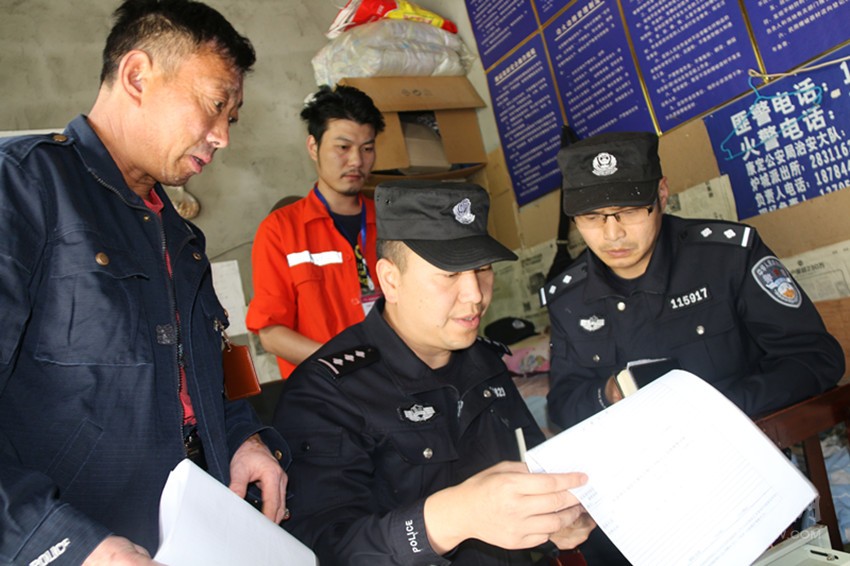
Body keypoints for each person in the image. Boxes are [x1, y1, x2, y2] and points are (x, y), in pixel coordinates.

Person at [0, 1, 290, 563]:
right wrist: (72, 545)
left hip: (193, 532)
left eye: (232, 118)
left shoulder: (181, 238)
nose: (223, 136)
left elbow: (208, 372)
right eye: (215, 105)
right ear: (137, 76)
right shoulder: (23, 188)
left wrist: (243, 437)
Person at [542, 130, 845, 565]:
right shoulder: (569, 298)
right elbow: (563, 403)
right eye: (591, 217)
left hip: (742, 472)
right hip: (641, 495)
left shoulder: (727, 256)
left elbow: (816, 358)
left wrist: (718, 411)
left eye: (630, 211)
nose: (612, 233)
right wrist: (607, 393)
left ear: (662, 194)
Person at [272, 180, 595, 565]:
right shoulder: (326, 394)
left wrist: (557, 517)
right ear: (391, 280)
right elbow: (322, 549)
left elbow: (531, 468)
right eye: (449, 273)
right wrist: (451, 519)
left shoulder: (484, 361)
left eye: (483, 269)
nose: (475, 295)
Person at [246, 84, 385, 378]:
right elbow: (271, 333)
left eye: (367, 148)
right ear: (313, 147)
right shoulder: (280, 230)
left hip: (395, 382)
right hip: (325, 392)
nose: (357, 161)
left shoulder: (391, 223)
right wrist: (344, 363)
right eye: (343, 147)